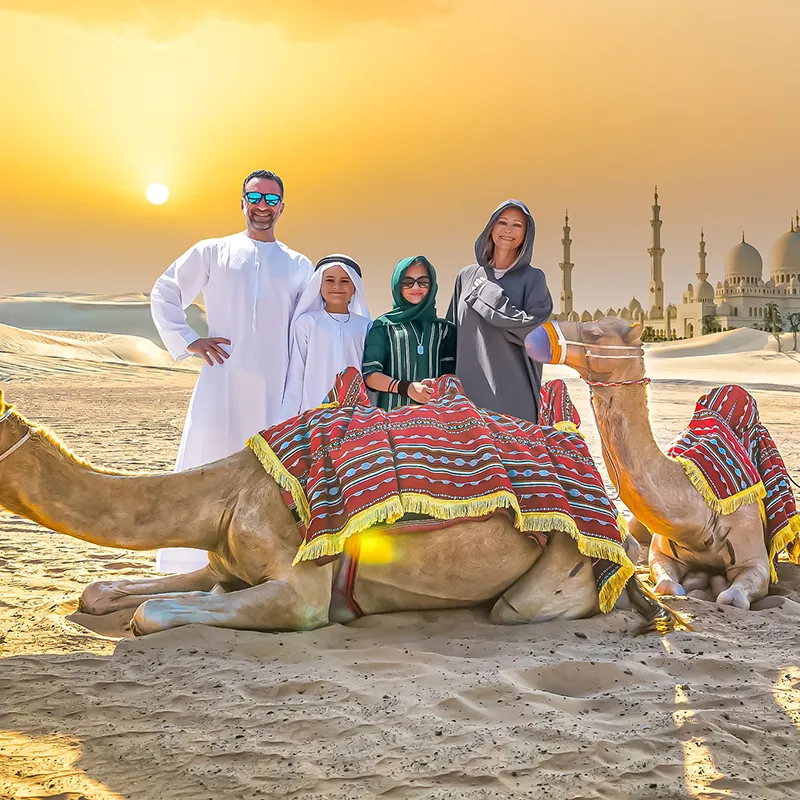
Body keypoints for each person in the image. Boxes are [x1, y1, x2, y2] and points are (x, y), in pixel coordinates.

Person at [150, 169, 313, 573]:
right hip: (221, 382)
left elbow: (310, 327)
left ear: (282, 207)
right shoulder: (212, 251)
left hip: (275, 387)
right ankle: (185, 567)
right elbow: (166, 290)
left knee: (268, 478)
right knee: (205, 465)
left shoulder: (298, 264)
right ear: (241, 203)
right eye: (255, 198)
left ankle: (258, 565)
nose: (263, 207)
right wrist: (188, 338)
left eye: (272, 200)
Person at [447, 200, 553, 423]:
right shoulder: (467, 276)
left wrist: (486, 295)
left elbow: (534, 332)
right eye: (502, 222)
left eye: (517, 225)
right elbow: (451, 334)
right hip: (466, 400)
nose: (508, 230)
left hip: (514, 399)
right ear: (491, 228)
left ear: (526, 234)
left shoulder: (533, 279)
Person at [280, 254, 372, 416]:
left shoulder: (365, 326)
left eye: (345, 281)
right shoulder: (307, 323)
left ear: (354, 288)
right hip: (314, 415)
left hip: (355, 415)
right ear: (318, 285)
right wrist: (285, 420)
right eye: (329, 280)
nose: (337, 286)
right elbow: (296, 375)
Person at [362, 256, 456, 411]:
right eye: (407, 282)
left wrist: (436, 383)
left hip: (435, 421)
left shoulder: (444, 330)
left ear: (432, 286)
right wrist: (408, 388)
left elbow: (450, 374)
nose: (415, 287)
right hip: (392, 419)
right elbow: (371, 376)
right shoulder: (383, 326)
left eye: (423, 282)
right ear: (397, 285)